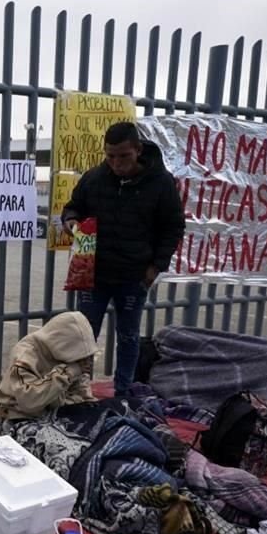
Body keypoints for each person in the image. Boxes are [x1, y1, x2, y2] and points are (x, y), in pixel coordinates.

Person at [61, 121, 185, 395]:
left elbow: (173, 227)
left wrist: (156, 267)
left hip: (134, 276)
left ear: (138, 150)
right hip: (94, 274)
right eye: (110, 156)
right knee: (83, 337)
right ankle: (79, 393)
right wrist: (70, 222)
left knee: (128, 337)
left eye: (124, 156)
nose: (117, 163)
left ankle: (124, 392)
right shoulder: (94, 178)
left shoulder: (161, 183)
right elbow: (73, 208)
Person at [0, 311, 98, 419]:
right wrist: (68, 373)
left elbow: (81, 388)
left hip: (62, 408)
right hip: (27, 415)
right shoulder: (26, 355)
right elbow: (29, 402)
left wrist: (90, 406)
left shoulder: (71, 355)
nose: (85, 361)